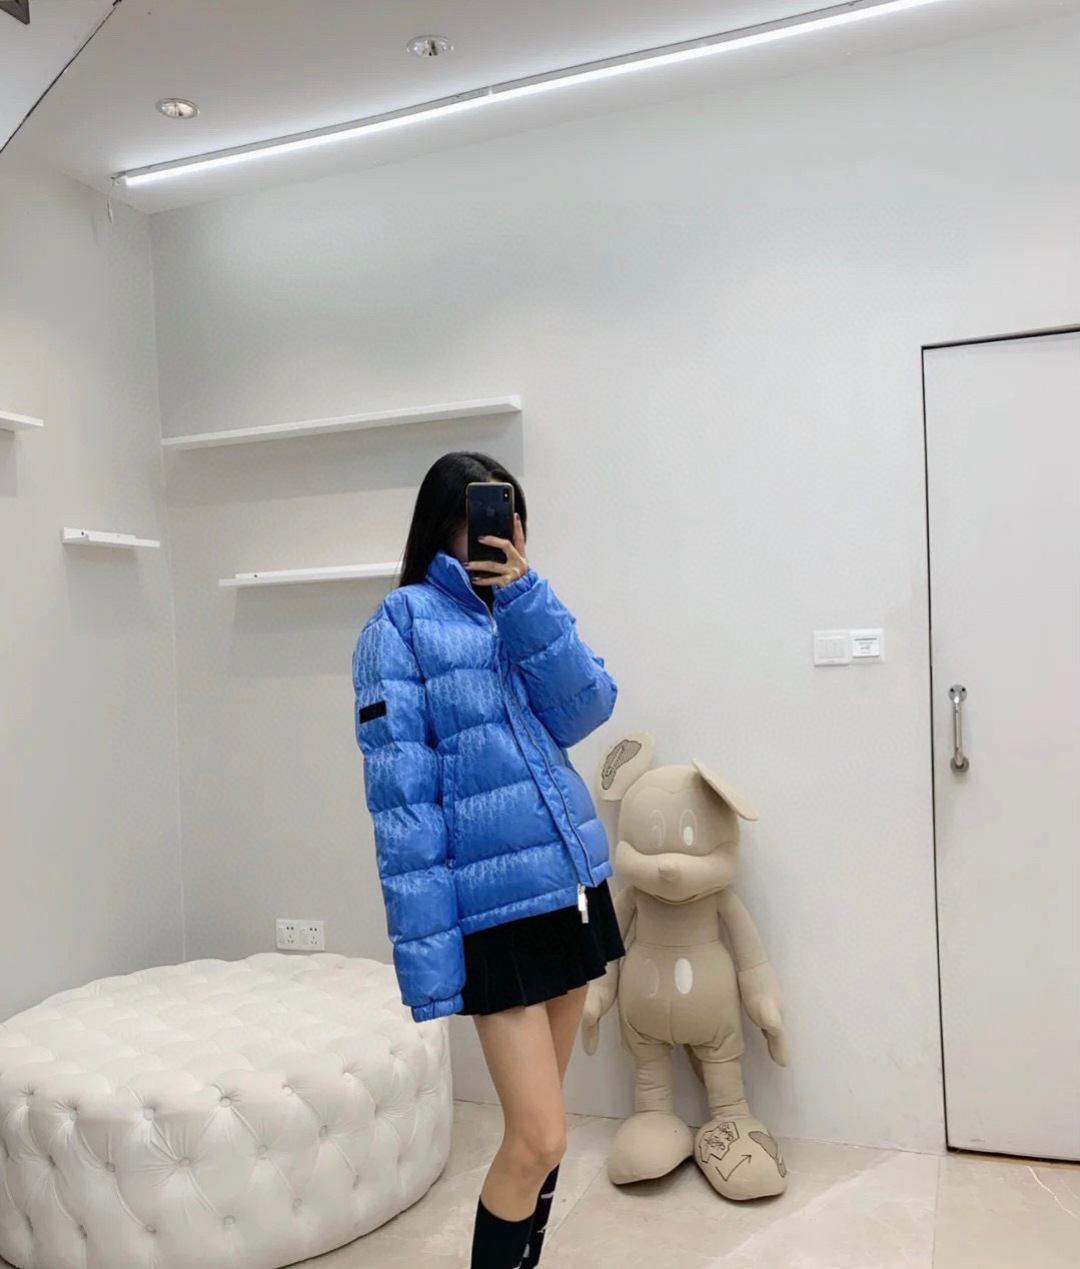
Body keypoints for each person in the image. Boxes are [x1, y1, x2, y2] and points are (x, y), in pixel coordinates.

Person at [352, 451, 624, 1269]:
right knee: (538, 1136)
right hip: (491, 916)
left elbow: (588, 707)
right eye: (485, 519)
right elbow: (404, 807)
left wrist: (527, 598)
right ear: (444, 528)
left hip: (567, 887)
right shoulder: (398, 626)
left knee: (548, 1136)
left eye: (513, 517)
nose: (503, 534)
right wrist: (433, 962)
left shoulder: (518, 609)